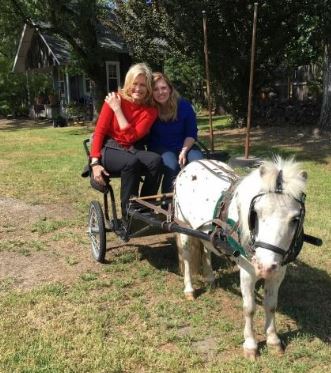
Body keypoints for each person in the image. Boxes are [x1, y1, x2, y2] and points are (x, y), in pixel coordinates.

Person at [90, 63, 162, 217]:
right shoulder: (114, 99)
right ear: (128, 83)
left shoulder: (150, 110)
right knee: (131, 162)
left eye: (143, 85)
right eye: (135, 83)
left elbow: (131, 137)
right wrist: (95, 163)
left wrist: (118, 110)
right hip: (110, 148)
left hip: (131, 148)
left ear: (148, 87)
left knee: (155, 160)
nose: (138, 88)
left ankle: (145, 208)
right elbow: (99, 132)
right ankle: (128, 214)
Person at [148, 72, 203, 193]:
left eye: (163, 88)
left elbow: (191, 132)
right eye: (155, 89)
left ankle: (195, 198)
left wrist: (184, 151)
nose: (160, 92)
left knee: (198, 162)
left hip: (184, 144)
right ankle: (167, 204)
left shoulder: (184, 105)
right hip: (160, 147)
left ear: (170, 88)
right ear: (151, 92)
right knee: (172, 165)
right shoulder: (149, 108)